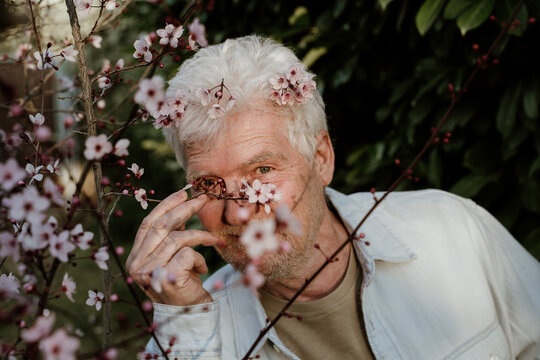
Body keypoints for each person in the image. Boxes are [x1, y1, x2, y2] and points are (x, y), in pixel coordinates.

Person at [126, 35, 540, 360]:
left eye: (263, 171)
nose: (238, 211)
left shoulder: (452, 230)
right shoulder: (187, 330)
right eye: (211, 185)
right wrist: (186, 321)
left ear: (321, 159)